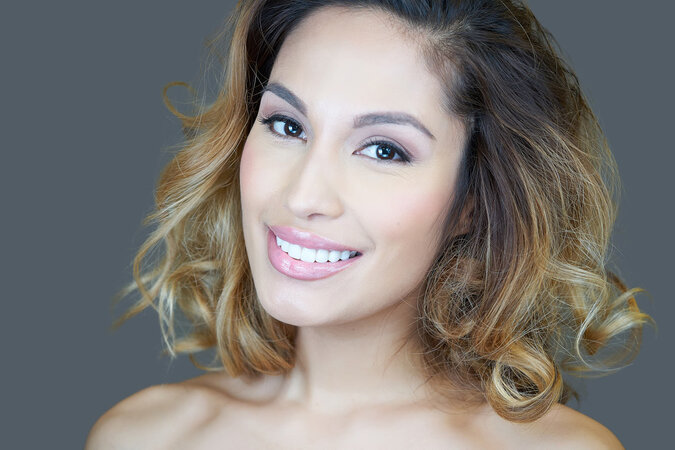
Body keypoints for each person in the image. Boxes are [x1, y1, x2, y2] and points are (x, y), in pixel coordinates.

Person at [86, 0, 652, 448]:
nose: (303, 196)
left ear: (472, 202)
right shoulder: (144, 437)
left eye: (383, 150)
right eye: (287, 125)